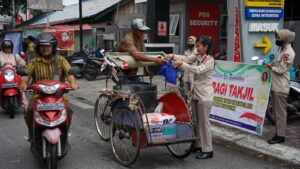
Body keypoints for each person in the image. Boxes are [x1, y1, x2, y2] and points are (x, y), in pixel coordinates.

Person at [20, 33, 79, 142]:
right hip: (38, 95)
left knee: (68, 111)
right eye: (42, 46)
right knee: (30, 111)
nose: (45, 49)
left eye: (48, 46)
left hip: (59, 94)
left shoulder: (60, 60)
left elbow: (69, 73)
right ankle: (32, 137)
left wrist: (73, 83)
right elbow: (26, 74)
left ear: (53, 47)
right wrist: (23, 84)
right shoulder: (34, 61)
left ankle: (64, 134)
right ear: (38, 48)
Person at [168, 36, 214, 159]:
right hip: (195, 94)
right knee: (195, 120)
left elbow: (198, 70)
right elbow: (187, 58)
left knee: (204, 123)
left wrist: (181, 64)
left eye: (199, 46)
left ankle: (208, 150)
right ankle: (198, 145)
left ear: (206, 47)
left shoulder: (209, 60)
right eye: (197, 46)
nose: (197, 48)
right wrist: (174, 56)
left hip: (205, 95)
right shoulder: (198, 56)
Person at [266, 29, 296, 144]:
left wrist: (270, 67)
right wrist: (272, 64)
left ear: (285, 39)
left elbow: (281, 70)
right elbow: (278, 64)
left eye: (279, 38)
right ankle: (278, 134)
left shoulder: (288, 52)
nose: (277, 40)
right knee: (276, 112)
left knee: (280, 113)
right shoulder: (282, 50)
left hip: (281, 86)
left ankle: (281, 136)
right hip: (276, 85)